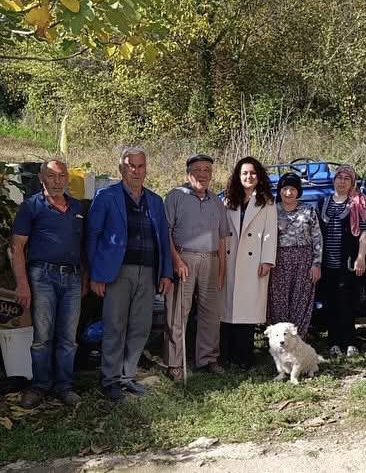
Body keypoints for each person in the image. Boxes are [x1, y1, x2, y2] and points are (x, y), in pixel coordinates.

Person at [86, 146, 174, 400]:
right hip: (116, 272)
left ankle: (128, 375)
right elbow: (92, 236)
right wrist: (96, 274)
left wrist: (166, 273)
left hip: (148, 272)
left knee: (141, 326)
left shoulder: (155, 201)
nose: (136, 170)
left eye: (140, 166)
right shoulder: (106, 197)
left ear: (146, 169)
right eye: (130, 165)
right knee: (115, 325)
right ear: (121, 168)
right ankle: (110, 379)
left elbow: (163, 240)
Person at [10, 157, 88, 408]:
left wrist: (85, 277)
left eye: (61, 176)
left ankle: (64, 386)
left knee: (68, 337)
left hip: (73, 278)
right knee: (43, 336)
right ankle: (40, 386)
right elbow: (17, 247)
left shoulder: (77, 207)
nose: (57, 181)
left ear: (67, 178)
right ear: (42, 178)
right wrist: (22, 284)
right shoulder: (31, 206)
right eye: (51, 176)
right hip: (42, 276)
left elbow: (84, 246)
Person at [163, 154, 230, 380]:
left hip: (211, 259)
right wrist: (176, 261)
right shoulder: (175, 196)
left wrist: (221, 271)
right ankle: (175, 363)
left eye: (207, 171)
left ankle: (208, 359)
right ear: (188, 173)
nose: (202, 174)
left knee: (211, 313)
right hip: (184, 257)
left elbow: (222, 239)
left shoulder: (216, 201)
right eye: (198, 170)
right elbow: (166, 233)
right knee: (178, 313)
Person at [221, 156, 277, 369]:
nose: (248, 177)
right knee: (226, 309)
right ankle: (226, 356)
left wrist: (267, 260)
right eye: (244, 173)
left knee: (246, 311)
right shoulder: (228, 200)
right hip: (230, 258)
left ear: (259, 176)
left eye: (252, 173)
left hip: (253, 263)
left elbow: (270, 233)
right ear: (238, 175)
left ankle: (244, 357)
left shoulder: (267, 202)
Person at [317, 165, 366, 357]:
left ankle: (350, 342)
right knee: (330, 303)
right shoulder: (322, 202)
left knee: (347, 303)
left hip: (347, 262)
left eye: (346, 178)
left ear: (352, 183)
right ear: (334, 180)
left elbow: (364, 232)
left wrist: (361, 257)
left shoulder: (358, 203)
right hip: (326, 263)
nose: (342, 181)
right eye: (339, 177)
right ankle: (334, 343)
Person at [267, 172, 322, 339]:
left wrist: (316, 264)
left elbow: (317, 238)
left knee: (301, 300)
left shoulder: (308, 210)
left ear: (298, 191)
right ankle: (279, 340)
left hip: (304, 260)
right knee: (278, 300)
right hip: (278, 260)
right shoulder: (271, 211)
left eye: (292, 189)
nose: (288, 193)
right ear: (280, 190)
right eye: (285, 189)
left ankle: (297, 341)